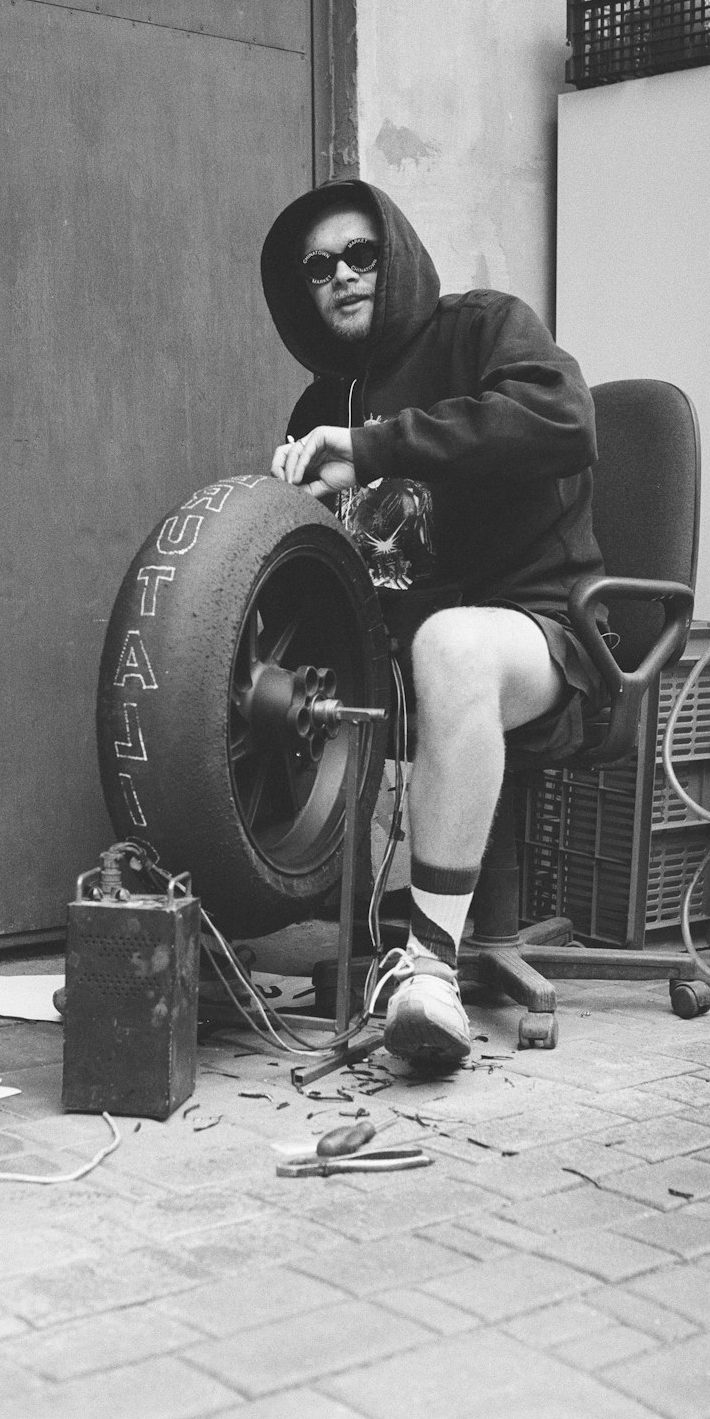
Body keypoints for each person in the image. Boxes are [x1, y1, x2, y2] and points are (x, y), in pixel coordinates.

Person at [260, 179, 606, 1066]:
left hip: (545, 634)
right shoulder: (318, 408)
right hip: (400, 668)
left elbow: (564, 420)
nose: (343, 275)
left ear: (397, 254)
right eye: (320, 267)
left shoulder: (484, 327)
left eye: (362, 254)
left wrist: (376, 448)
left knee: (449, 646)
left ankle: (428, 970)